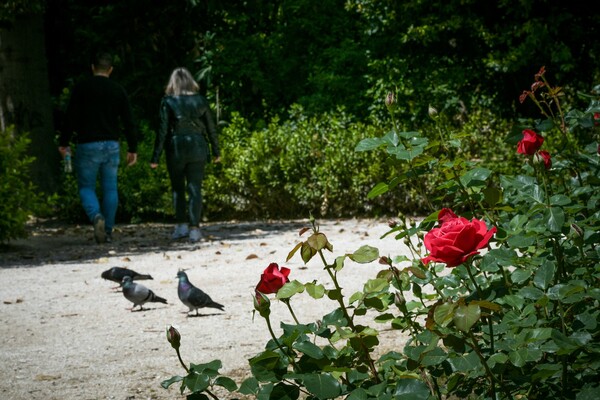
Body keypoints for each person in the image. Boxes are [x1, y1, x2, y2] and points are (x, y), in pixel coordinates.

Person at [58, 51, 138, 244]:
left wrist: (63, 142)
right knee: (111, 188)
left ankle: (96, 217)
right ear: (110, 69)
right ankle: (108, 231)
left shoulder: (82, 88)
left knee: (86, 187)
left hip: (87, 144)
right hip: (111, 145)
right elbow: (128, 120)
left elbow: (70, 117)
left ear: (92, 67)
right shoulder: (118, 89)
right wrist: (132, 148)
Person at [150, 67, 221, 242]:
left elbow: (163, 131)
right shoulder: (201, 100)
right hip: (198, 146)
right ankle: (195, 229)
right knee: (195, 187)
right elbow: (211, 129)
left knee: (178, 188)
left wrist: (155, 157)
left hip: (176, 148)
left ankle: (181, 226)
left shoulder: (168, 102)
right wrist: (216, 151)